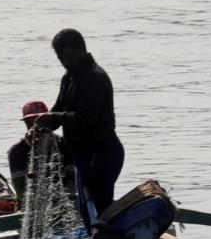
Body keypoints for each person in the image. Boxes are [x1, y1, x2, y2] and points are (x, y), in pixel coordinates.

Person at [34, 28, 124, 225]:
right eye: (61, 59)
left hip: (103, 155)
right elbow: (59, 109)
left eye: (70, 57)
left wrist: (54, 117)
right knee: (85, 213)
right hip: (82, 157)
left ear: (82, 50)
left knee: (102, 211)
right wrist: (43, 124)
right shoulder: (68, 78)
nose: (66, 63)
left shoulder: (96, 78)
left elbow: (86, 119)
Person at [7, 100, 72, 207]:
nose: (36, 127)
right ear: (26, 123)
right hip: (32, 206)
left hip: (64, 202)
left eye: (40, 121)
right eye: (30, 122)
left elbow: (73, 180)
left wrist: (65, 201)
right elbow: (22, 190)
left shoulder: (64, 145)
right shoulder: (16, 152)